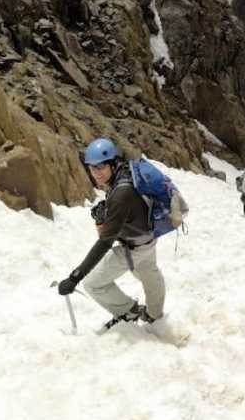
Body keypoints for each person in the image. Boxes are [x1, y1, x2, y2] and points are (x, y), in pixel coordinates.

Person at [57, 138, 166, 328]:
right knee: (149, 273)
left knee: (93, 284)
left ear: (112, 164)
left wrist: (76, 276)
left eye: (100, 167)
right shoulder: (126, 172)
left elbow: (105, 242)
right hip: (149, 238)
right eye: (92, 168)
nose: (96, 173)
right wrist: (108, 210)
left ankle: (129, 311)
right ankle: (155, 316)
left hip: (133, 248)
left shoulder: (121, 192)